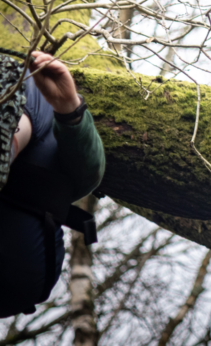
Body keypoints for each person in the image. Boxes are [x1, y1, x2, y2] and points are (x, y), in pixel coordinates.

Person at [0, 51, 105, 318]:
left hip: (17, 256)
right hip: (21, 266)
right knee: (27, 83)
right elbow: (85, 176)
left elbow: (86, 176)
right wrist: (69, 108)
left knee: (24, 80)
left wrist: (67, 105)